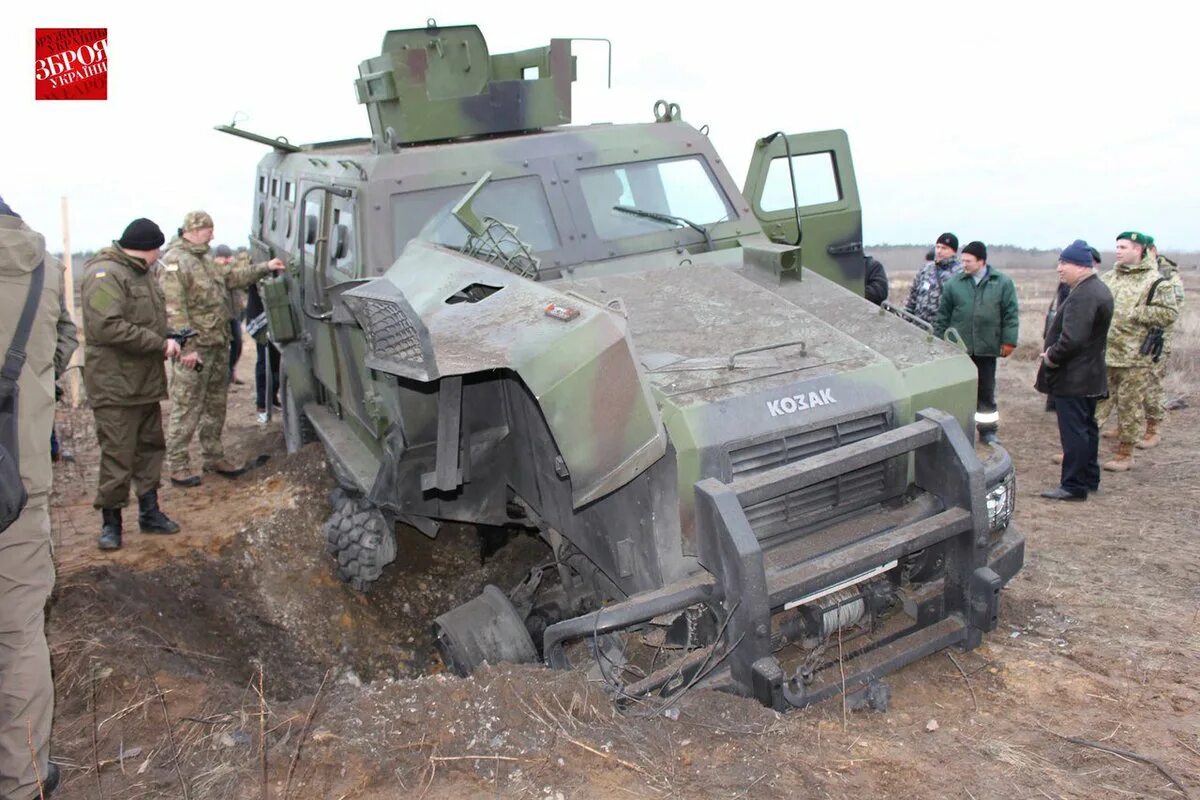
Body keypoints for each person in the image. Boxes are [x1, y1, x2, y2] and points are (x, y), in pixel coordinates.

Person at [0, 196, 64, 798]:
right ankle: (23, 780)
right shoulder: (42, 268)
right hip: (17, 479)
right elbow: (63, 348)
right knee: (19, 635)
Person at [81, 219, 183, 551]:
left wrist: (168, 337)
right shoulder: (105, 274)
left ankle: (150, 513)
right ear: (150, 249)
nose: (159, 257)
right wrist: (158, 344)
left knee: (150, 448)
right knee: (118, 455)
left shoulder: (142, 273)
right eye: (158, 251)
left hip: (143, 383)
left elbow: (146, 320)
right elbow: (107, 327)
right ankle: (111, 524)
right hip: (115, 386)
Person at [161, 211, 284, 485]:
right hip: (195, 351)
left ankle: (213, 456)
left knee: (216, 405)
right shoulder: (175, 262)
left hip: (217, 344)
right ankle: (178, 466)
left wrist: (265, 267)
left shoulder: (205, 257)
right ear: (193, 230)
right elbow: (174, 310)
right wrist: (188, 346)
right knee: (187, 406)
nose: (213, 236)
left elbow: (232, 277)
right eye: (208, 231)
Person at [1036, 240, 1114, 500]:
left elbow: (1073, 339)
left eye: (1064, 263)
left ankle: (1073, 486)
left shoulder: (1083, 295)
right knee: (1087, 429)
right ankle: (1090, 477)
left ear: (1081, 266)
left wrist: (1051, 357)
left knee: (1075, 433)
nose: (1059, 268)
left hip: (1074, 377)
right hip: (1089, 375)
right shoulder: (1097, 289)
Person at [1095, 231, 1178, 471]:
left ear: (1138, 250)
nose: (1118, 251)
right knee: (1096, 403)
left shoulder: (1155, 281)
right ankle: (1082, 448)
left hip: (1135, 357)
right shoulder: (1110, 278)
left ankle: (1125, 453)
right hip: (1106, 353)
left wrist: (1137, 312)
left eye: (1124, 247)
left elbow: (1169, 314)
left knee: (1129, 406)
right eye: (1117, 246)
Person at [932, 241, 1019, 444]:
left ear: (982, 261)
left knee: (985, 391)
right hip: (959, 349)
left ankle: (988, 431)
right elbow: (943, 316)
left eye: (968, 261)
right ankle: (957, 430)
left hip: (987, 348)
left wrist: (1009, 341)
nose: (964, 264)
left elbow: (1010, 314)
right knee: (958, 390)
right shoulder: (955, 284)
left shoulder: (1002, 283)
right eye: (962, 260)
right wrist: (938, 342)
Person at [1138, 242, 1185, 448]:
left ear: (1152, 251)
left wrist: (1139, 312)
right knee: (1128, 385)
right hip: (1133, 340)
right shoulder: (1136, 272)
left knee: (1152, 383)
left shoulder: (1167, 276)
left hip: (1157, 340)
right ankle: (1127, 425)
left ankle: (1153, 428)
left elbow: (1171, 311)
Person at [904, 232, 962, 325]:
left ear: (954, 251)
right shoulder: (926, 269)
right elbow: (912, 298)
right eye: (937, 247)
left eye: (944, 248)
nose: (939, 251)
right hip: (917, 326)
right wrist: (905, 320)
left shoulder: (960, 273)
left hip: (941, 330)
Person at [244, 281, 281, 424]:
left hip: (272, 316)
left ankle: (271, 398)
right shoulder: (260, 268)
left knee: (275, 360)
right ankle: (263, 403)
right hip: (263, 317)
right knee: (265, 361)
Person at [212, 244, 245, 385]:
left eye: (227, 258)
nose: (226, 261)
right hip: (221, 316)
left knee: (237, 344)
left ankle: (231, 371)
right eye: (223, 258)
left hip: (234, 314)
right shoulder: (214, 272)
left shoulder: (232, 271)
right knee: (222, 348)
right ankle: (224, 376)